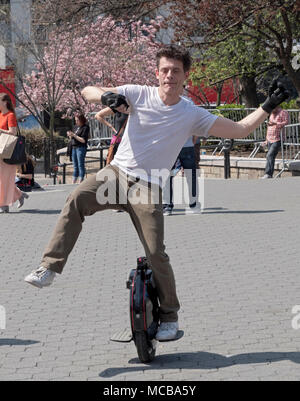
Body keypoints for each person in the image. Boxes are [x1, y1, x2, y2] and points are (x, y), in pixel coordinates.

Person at [24, 45, 289, 341]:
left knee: (155, 253)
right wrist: (105, 96)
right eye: (164, 70)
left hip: (147, 186)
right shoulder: (139, 93)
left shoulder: (191, 113)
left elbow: (240, 129)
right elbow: (88, 90)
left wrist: (268, 106)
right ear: (156, 73)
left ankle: (169, 316)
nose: (169, 75)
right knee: (75, 199)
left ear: (185, 76)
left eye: (176, 71)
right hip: (115, 175)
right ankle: (49, 267)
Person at [0, 93, 29, 213]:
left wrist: (0, 130)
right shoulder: (0, 115)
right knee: (2, 179)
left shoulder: (10, 115)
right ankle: (20, 194)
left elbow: (13, 132)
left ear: (5, 102)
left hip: (7, 151)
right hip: (1, 149)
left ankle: (4, 205)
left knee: (3, 179)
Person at [163, 135, 199, 215]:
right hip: (188, 146)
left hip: (171, 146)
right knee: (191, 177)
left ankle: (167, 206)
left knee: (167, 177)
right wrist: (192, 142)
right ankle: (193, 205)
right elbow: (197, 130)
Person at [261, 106, 289, 179]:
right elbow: (269, 127)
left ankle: (268, 174)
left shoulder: (283, 112)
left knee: (269, 155)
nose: (271, 111)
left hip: (278, 138)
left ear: (276, 106)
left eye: (272, 108)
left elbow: (286, 122)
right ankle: (269, 174)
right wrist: (266, 140)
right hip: (270, 139)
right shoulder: (272, 113)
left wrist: (276, 123)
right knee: (271, 157)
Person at [67, 114, 89, 184]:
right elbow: (72, 138)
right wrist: (70, 135)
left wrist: (74, 135)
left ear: (81, 120)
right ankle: (74, 181)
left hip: (81, 147)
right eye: (75, 120)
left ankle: (81, 180)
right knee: (75, 165)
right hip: (74, 147)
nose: (76, 122)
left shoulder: (85, 127)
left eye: (77, 120)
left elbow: (83, 140)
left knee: (80, 164)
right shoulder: (75, 127)